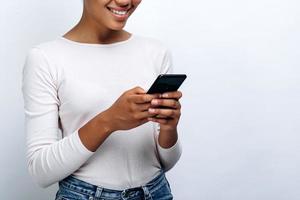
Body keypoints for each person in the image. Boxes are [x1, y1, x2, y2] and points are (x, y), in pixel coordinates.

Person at [21, 0, 183, 199]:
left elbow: (166, 162)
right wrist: (108, 121)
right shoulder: (45, 58)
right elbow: (41, 172)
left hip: (156, 192)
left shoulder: (157, 52)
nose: (125, 1)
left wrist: (169, 128)